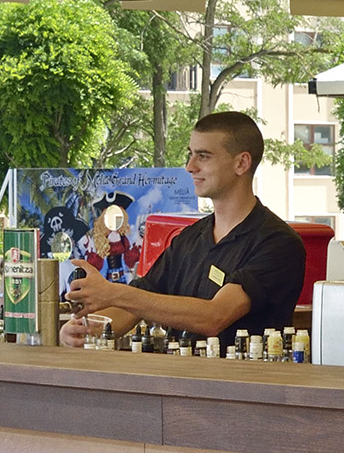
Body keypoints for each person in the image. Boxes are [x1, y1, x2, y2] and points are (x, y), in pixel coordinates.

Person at [66, 112, 305, 340]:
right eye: (190, 155)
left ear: (241, 163)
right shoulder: (190, 238)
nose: (190, 167)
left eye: (203, 156)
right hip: (178, 370)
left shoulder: (278, 243)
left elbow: (214, 317)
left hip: (240, 371)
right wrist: (86, 329)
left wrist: (114, 293)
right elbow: (139, 302)